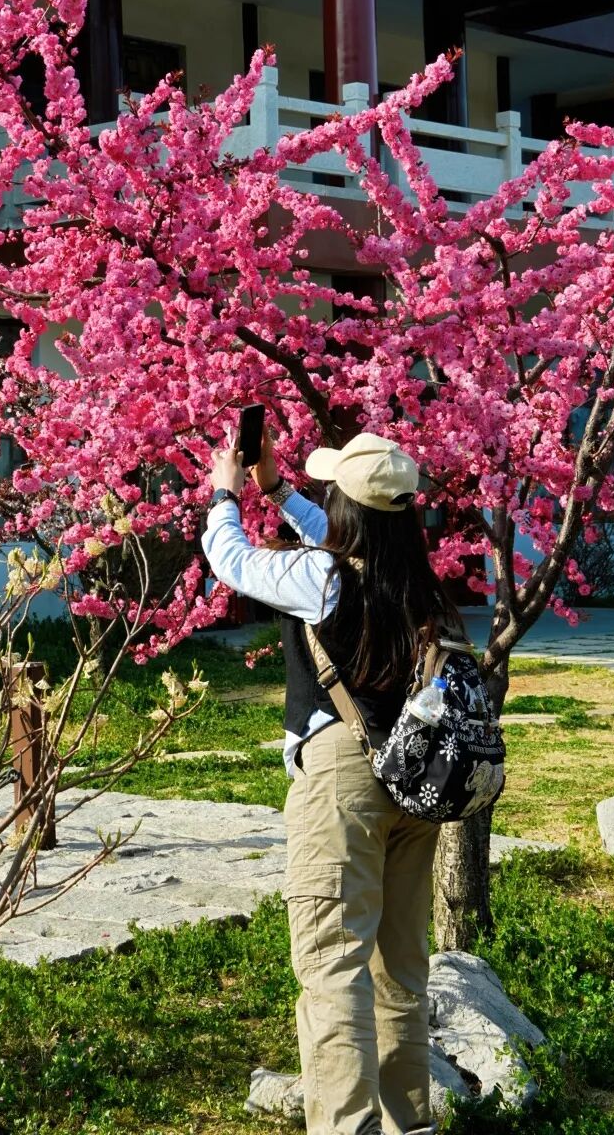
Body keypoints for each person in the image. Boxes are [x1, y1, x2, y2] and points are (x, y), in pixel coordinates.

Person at [203, 428, 459, 1135]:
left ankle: (347, 1126)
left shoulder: (320, 576)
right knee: (399, 969)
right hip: (415, 776)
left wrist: (226, 492)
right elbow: (338, 536)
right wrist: (278, 490)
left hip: (345, 778)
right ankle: (408, 1124)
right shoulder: (414, 575)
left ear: (345, 508)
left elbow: (230, 559)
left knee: (333, 960)